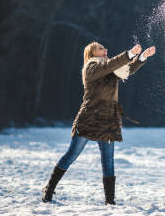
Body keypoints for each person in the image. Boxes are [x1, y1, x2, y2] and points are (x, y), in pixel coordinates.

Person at [41, 42, 156, 205]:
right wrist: (129, 54)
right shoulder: (91, 68)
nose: (105, 50)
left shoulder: (111, 69)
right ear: (92, 54)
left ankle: (110, 201)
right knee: (71, 156)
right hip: (90, 118)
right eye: (101, 48)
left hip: (109, 120)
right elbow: (110, 65)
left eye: (105, 48)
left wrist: (143, 56)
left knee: (108, 161)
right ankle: (49, 189)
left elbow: (127, 70)